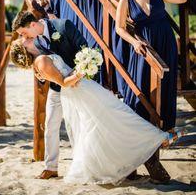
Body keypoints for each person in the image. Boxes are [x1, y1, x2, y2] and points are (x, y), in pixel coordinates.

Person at [10, 39, 181, 185]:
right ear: (24, 48)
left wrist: (81, 70)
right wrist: (83, 68)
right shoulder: (41, 62)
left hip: (85, 89)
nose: (25, 37)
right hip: (81, 92)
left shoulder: (41, 56)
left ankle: (156, 139)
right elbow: (63, 82)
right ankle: (159, 138)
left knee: (115, 115)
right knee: (116, 115)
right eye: (22, 39)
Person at [12, 12, 88, 180]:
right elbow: (43, 62)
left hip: (77, 86)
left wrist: (78, 74)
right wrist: (40, 73)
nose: (23, 37)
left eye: (23, 33)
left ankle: (81, 163)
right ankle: (51, 167)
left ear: (32, 24)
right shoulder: (36, 41)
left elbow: (84, 48)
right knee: (50, 126)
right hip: (56, 88)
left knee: (77, 125)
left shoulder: (63, 26)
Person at [116, 0, 191, 131]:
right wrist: (134, 42)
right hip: (145, 47)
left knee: (167, 82)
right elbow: (119, 28)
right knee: (142, 82)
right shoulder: (124, 1)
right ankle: (142, 127)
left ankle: (167, 127)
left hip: (165, 42)